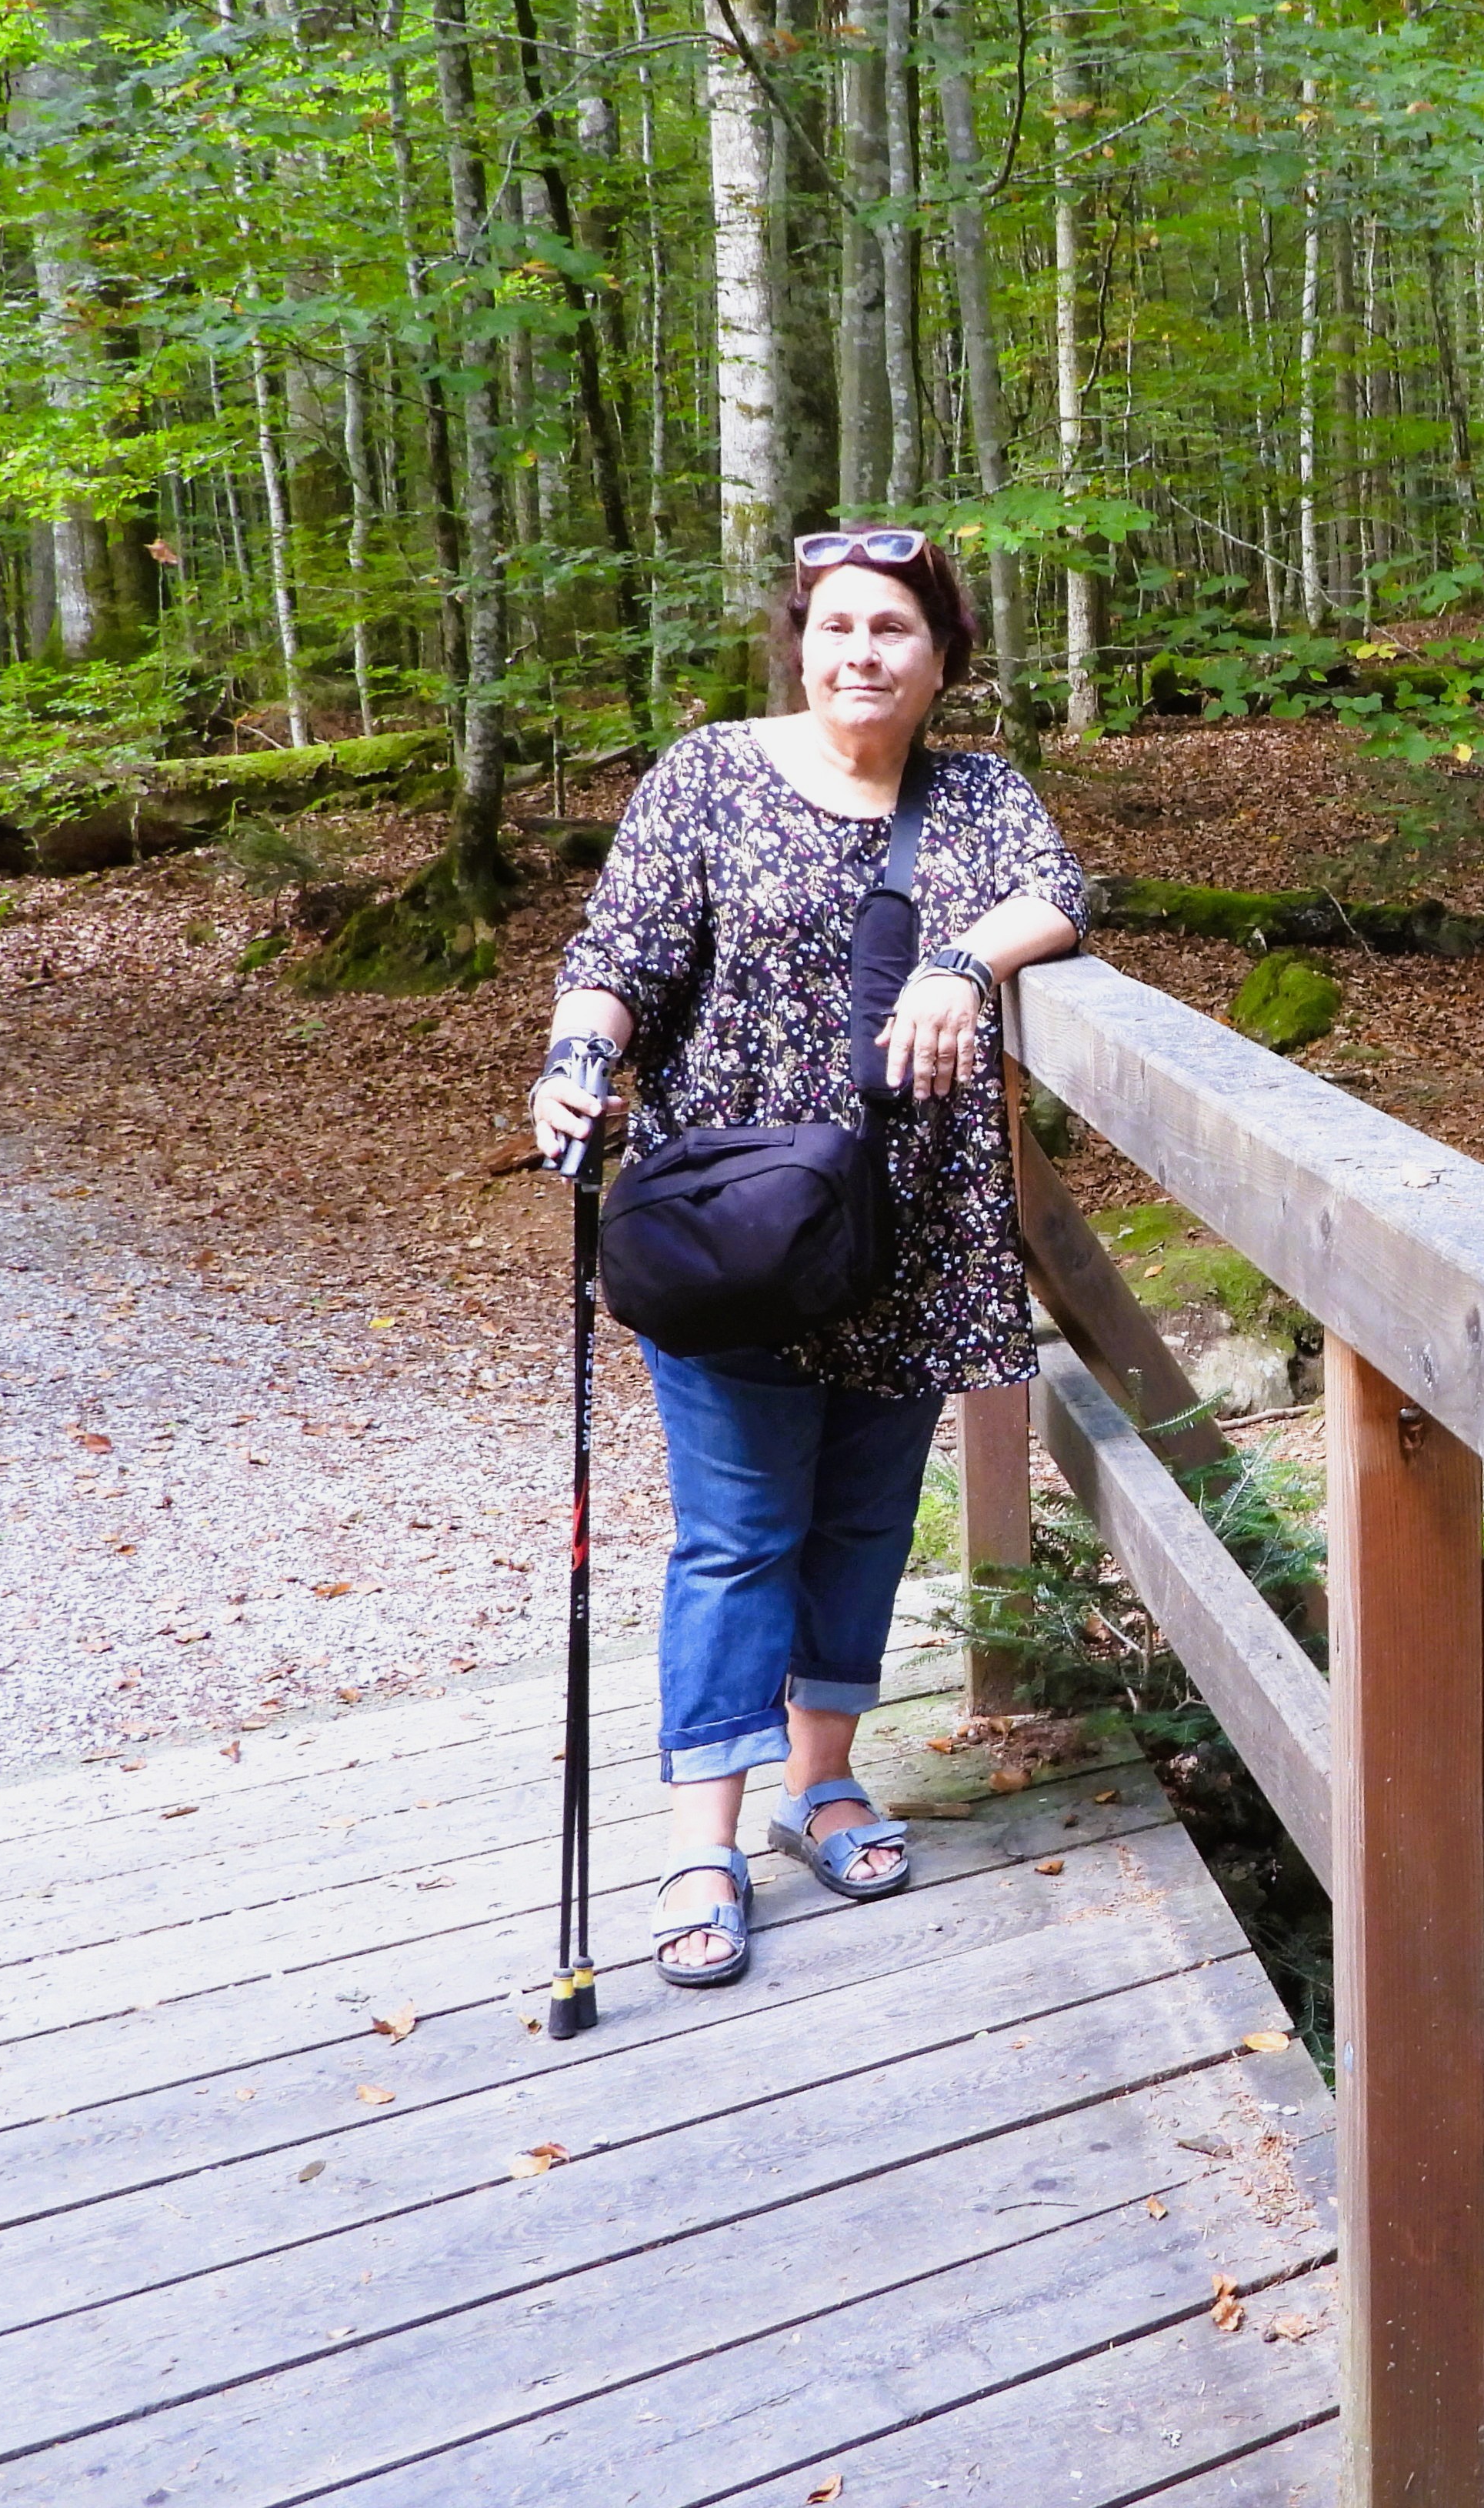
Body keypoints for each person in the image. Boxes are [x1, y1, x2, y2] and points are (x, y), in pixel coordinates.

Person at [529, 532, 1085, 1987]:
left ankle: (821, 1781)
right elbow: (619, 954)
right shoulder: (710, 774)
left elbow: (1062, 893)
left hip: (909, 1230)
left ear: (941, 657)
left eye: (893, 629)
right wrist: (577, 1061)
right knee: (737, 1533)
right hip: (740, 1228)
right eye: (838, 627)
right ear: (800, 644)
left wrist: (964, 961)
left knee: (861, 1522)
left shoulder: (979, 795)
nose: (862, 654)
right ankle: (700, 1842)